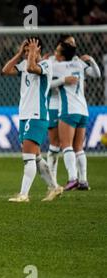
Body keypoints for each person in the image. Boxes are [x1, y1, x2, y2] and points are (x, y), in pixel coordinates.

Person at [1, 38, 63, 202]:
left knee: (27, 156)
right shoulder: (24, 63)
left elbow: (31, 67)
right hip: (25, 115)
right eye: (26, 50)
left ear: (39, 49)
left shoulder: (46, 65)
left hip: (37, 115)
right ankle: (55, 187)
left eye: (31, 50)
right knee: (35, 157)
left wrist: (33, 54)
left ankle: (24, 195)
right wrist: (20, 53)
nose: (28, 53)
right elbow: (5, 70)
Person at [49, 38, 101, 191]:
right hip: (83, 110)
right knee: (79, 147)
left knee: (66, 145)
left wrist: (62, 80)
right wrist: (91, 59)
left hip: (68, 110)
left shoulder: (58, 67)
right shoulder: (79, 64)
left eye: (58, 51)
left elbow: (47, 84)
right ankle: (84, 180)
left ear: (63, 56)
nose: (55, 53)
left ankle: (73, 178)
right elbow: (97, 74)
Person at [46, 35, 78, 185]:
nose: (73, 44)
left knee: (70, 144)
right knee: (55, 144)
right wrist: (63, 81)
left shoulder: (76, 63)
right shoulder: (52, 62)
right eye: (69, 43)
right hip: (54, 104)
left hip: (71, 106)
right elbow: (46, 85)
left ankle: (79, 178)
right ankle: (52, 181)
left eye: (73, 42)